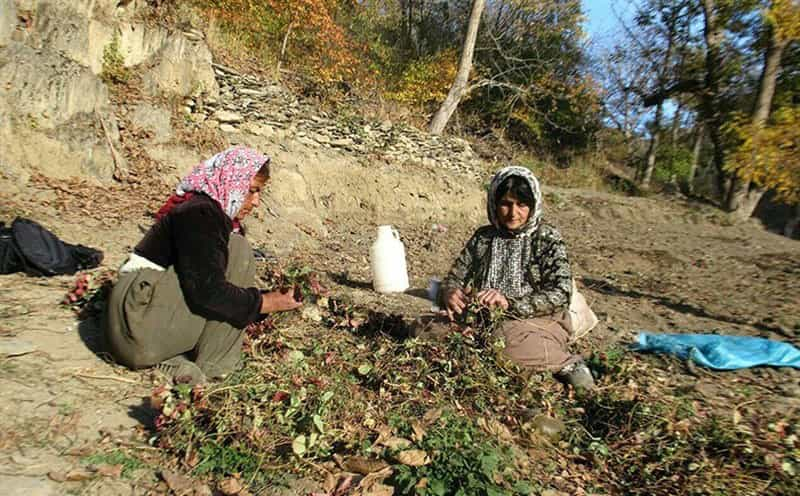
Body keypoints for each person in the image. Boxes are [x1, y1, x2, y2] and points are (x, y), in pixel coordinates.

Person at [105, 147, 302, 384]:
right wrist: (265, 302)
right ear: (233, 182)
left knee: (230, 269)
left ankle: (174, 364)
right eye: (251, 191)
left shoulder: (205, 212)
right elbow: (208, 291)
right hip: (136, 322)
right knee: (237, 252)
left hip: (128, 335)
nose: (256, 202)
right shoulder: (200, 213)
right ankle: (215, 369)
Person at [434, 165, 595, 390]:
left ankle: (568, 365)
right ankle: (486, 349)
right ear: (494, 204)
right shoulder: (483, 237)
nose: (513, 213)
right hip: (484, 318)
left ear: (533, 205)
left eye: (521, 205)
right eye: (505, 204)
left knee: (504, 341)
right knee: (427, 327)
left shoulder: (546, 238)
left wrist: (510, 303)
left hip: (536, 319)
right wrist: (450, 291)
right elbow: (455, 276)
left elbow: (561, 292)